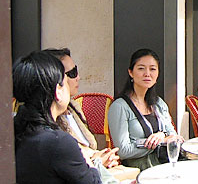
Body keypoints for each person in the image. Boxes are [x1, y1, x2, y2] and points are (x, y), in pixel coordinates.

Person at [46, 48, 139, 182]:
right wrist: (97, 160)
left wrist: (102, 156)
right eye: (72, 73)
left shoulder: (73, 108)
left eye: (76, 70)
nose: (78, 77)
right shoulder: (49, 125)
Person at [13, 50, 101, 183]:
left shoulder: (16, 130)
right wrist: (90, 163)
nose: (78, 78)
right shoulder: (59, 142)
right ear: (57, 91)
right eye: (65, 82)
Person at [108, 49, 181, 171]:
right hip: (141, 170)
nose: (147, 73)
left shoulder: (159, 104)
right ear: (131, 72)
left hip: (166, 165)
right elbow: (123, 151)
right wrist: (157, 143)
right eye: (141, 68)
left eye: (152, 69)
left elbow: (174, 137)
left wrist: (162, 135)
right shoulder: (120, 107)